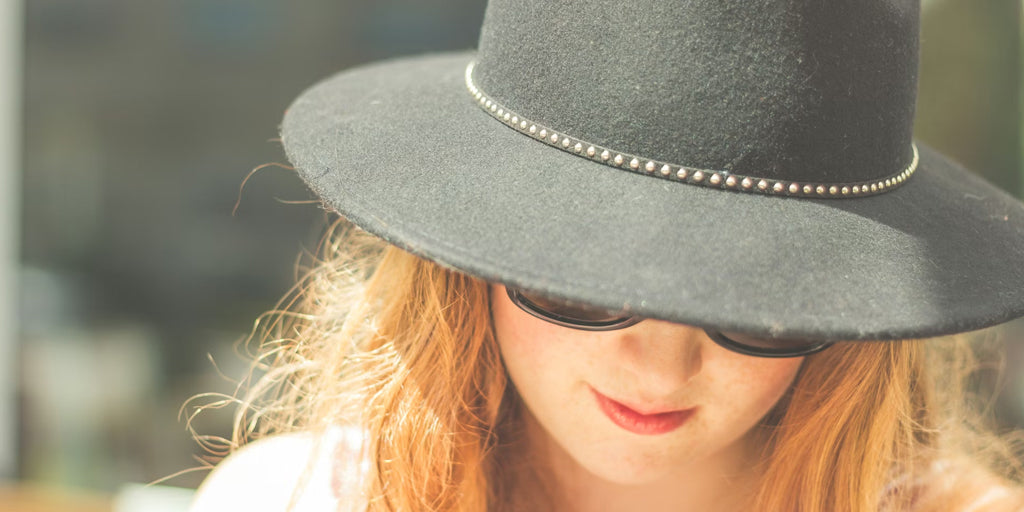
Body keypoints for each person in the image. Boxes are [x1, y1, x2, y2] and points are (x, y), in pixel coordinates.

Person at [189, 0, 1024, 510]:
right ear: (464, 267)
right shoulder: (301, 502)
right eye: (581, 287)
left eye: (750, 304)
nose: (660, 370)